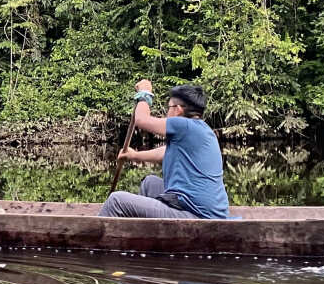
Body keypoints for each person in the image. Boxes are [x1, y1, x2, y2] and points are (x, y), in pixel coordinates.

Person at [99, 80, 230, 220]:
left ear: (178, 110)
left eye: (169, 107)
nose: (167, 112)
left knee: (116, 201)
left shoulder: (184, 125)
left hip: (197, 215)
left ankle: (95, 240)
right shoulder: (200, 130)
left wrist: (144, 94)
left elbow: (141, 120)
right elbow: (165, 152)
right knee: (150, 183)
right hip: (196, 208)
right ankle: (145, 234)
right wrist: (135, 155)